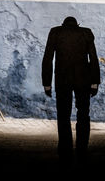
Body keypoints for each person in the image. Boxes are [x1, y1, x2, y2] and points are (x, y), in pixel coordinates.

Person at [42, 16, 100, 164]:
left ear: (63, 24)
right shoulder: (86, 33)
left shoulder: (55, 32)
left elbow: (48, 58)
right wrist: (94, 82)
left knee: (63, 115)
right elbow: (93, 58)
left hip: (62, 79)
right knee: (83, 114)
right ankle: (82, 148)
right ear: (77, 25)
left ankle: (65, 150)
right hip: (83, 79)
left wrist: (47, 83)